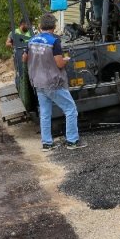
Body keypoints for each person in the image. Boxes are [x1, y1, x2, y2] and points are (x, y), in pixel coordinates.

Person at [24, 12, 87, 151]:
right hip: (52, 83)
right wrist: (66, 60)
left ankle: (47, 143)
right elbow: (59, 64)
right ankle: (72, 141)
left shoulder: (32, 40)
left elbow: (24, 58)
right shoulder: (54, 41)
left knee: (45, 113)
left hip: (37, 82)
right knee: (70, 109)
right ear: (54, 26)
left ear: (41, 26)